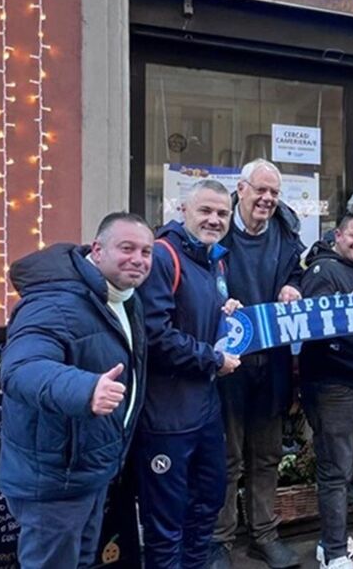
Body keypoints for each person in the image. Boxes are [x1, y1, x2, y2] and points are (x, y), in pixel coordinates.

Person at [0, 212, 152, 569]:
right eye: (127, 248)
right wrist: (85, 389)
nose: (138, 259)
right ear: (97, 250)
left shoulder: (126, 299)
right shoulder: (53, 302)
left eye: (146, 252)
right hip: (53, 482)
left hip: (90, 471)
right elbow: (20, 369)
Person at [134, 179, 242, 569]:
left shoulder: (215, 259)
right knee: (166, 521)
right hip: (166, 417)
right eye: (205, 211)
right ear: (183, 211)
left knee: (208, 503)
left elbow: (193, 318)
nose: (214, 219)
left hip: (204, 410)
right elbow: (156, 335)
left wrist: (223, 313)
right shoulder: (163, 256)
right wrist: (213, 359)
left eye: (222, 213)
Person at [212, 160, 303, 569]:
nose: (267, 198)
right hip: (227, 363)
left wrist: (293, 285)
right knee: (227, 457)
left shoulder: (287, 233)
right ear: (242, 189)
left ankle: (265, 534)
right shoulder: (216, 228)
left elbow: (301, 276)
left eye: (274, 192)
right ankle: (221, 540)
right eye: (260, 190)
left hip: (273, 361)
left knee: (266, 455)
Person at [300, 209, 353, 569]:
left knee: (347, 468)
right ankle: (334, 554)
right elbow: (313, 323)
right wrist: (352, 299)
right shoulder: (324, 269)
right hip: (333, 386)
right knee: (335, 471)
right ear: (337, 235)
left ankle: (333, 539)